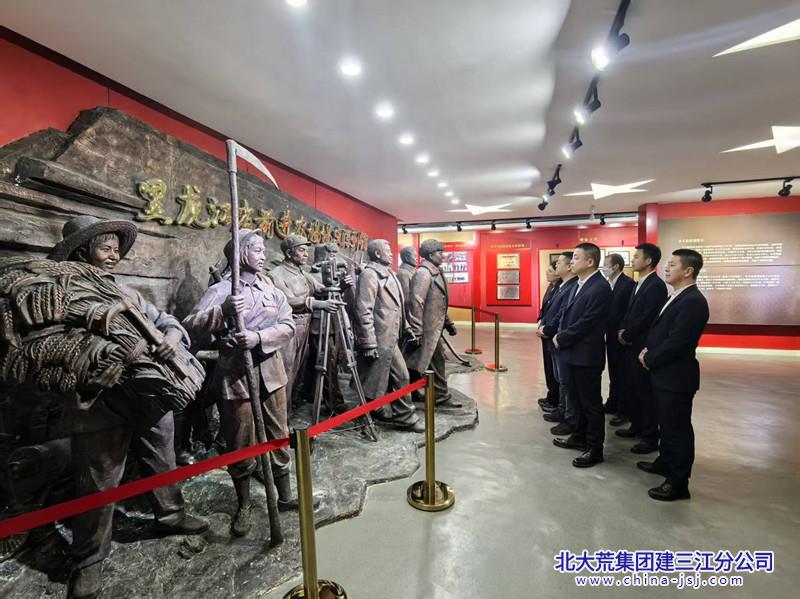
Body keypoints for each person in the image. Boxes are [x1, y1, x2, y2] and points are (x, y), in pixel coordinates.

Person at [48, 216, 208, 599]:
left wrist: (171, 338)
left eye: (116, 249)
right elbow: (61, 348)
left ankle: (171, 514)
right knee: (98, 480)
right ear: (82, 252)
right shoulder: (63, 296)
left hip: (147, 392)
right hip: (98, 401)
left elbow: (165, 321)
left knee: (162, 455)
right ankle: (89, 560)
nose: (114, 255)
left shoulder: (127, 292)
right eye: (105, 248)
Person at [182, 230, 297, 537]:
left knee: (278, 434)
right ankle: (244, 504)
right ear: (241, 253)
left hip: (271, 374)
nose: (263, 254)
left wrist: (258, 337)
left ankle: (285, 497)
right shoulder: (222, 291)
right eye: (257, 249)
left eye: (263, 249)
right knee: (240, 440)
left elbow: (288, 325)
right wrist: (221, 312)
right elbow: (190, 326)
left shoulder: (271, 290)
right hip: (236, 376)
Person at [637, 249, 709, 501]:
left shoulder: (693, 301)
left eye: (672, 265)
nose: (666, 268)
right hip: (664, 374)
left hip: (676, 377)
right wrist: (649, 350)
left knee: (677, 430)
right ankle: (665, 462)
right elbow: (663, 333)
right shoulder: (678, 296)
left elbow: (678, 342)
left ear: (688, 271)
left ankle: (678, 483)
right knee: (666, 425)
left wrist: (649, 357)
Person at [551, 243, 612, 468]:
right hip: (572, 352)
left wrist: (562, 336)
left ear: (590, 262)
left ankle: (595, 448)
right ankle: (579, 436)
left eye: (576, 258)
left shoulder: (600, 287)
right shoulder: (580, 283)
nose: (571, 262)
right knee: (576, 399)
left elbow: (588, 321)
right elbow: (567, 313)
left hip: (586, 355)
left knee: (590, 403)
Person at [353, 239, 424, 432]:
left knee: (378, 378)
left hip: (392, 336)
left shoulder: (390, 274)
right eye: (387, 250)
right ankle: (405, 417)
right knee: (399, 376)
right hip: (380, 337)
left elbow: (398, 306)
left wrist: (406, 326)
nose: (392, 254)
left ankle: (373, 411)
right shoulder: (369, 275)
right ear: (377, 254)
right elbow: (363, 310)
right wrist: (368, 342)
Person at [268, 235, 345, 406]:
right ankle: (281, 412)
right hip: (289, 328)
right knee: (286, 371)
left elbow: (321, 290)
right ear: (289, 253)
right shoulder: (276, 274)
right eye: (301, 250)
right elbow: (286, 300)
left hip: (305, 327)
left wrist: (341, 287)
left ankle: (288, 408)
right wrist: (317, 304)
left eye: (307, 251)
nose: (306, 254)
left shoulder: (303, 273)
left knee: (298, 371)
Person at [615, 243, 668, 455]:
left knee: (645, 393)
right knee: (633, 388)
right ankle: (636, 425)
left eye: (637, 256)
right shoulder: (639, 283)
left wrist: (627, 334)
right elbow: (629, 313)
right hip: (630, 343)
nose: (633, 259)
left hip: (641, 344)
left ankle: (649, 436)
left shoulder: (656, 286)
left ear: (648, 261)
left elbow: (647, 317)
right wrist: (622, 330)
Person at [405, 238, 459, 407]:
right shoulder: (423, 273)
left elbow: (439, 303)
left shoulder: (436, 272)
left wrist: (448, 323)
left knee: (423, 360)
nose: (443, 255)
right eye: (439, 252)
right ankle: (439, 395)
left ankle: (415, 393)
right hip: (426, 328)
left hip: (434, 327)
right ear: (430, 255)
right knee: (433, 360)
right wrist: (417, 329)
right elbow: (415, 302)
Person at [536, 253, 578, 436]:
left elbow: (562, 313)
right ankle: (562, 410)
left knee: (565, 381)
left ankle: (567, 415)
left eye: (559, 263)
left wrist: (550, 329)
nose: (554, 267)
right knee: (559, 378)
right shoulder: (562, 287)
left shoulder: (572, 287)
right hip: (553, 337)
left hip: (560, 339)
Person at [601, 253, 635, 417]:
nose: (603, 268)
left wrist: (624, 331)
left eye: (606, 264)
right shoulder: (609, 283)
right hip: (610, 334)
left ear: (615, 267)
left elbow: (628, 311)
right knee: (613, 371)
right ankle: (612, 402)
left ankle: (623, 408)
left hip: (621, 336)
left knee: (623, 373)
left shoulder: (627, 284)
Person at [536, 261, 562, 412]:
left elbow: (558, 313)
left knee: (554, 368)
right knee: (548, 365)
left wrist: (548, 328)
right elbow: (545, 308)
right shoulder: (551, 287)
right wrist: (540, 320)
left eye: (551, 271)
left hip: (552, 333)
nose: (547, 273)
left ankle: (555, 398)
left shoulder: (561, 288)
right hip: (545, 330)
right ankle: (551, 394)